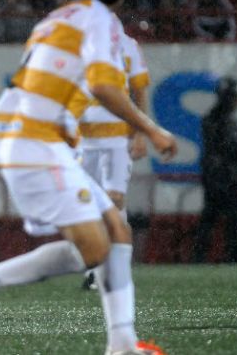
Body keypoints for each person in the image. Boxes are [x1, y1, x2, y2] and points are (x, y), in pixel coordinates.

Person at [0, 0, 177, 355]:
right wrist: (152, 130)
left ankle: (123, 344)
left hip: (34, 138)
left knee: (114, 233)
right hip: (35, 143)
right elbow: (104, 86)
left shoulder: (57, 18)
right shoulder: (101, 20)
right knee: (96, 248)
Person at [78, 31, 152, 290]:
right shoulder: (78, 42)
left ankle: (117, 271)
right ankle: (94, 268)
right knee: (86, 204)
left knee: (115, 200)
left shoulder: (127, 45)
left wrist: (141, 132)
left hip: (118, 137)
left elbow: (140, 91)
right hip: (83, 138)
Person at [192, 76, 237, 263]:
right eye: (235, 97)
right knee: (214, 218)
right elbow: (227, 149)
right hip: (221, 177)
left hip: (227, 175)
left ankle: (231, 255)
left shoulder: (224, 120)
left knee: (230, 220)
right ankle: (202, 257)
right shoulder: (216, 120)